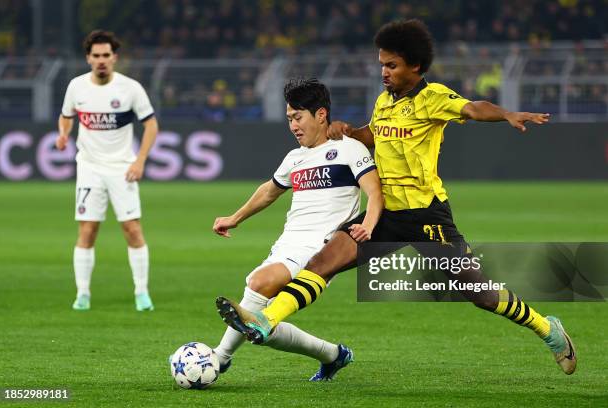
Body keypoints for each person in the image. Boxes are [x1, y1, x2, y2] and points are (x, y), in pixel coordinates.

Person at [217, 19, 577, 375]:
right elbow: (374, 135)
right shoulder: (384, 101)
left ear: (415, 66)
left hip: (427, 218)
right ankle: (266, 321)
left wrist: (507, 114)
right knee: (320, 264)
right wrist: (349, 131)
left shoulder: (431, 98)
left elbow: (472, 107)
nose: (384, 72)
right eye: (382, 65)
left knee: (481, 295)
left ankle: (548, 330)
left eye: (391, 65)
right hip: (385, 214)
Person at [213, 78, 382, 381]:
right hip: (287, 244)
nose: (292, 125)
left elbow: (374, 190)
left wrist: (367, 224)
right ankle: (333, 355)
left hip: (322, 248)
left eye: (298, 117)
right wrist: (234, 217)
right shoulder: (295, 157)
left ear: (320, 115)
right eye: (289, 118)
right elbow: (269, 191)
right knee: (258, 322)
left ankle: (218, 359)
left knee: (258, 283)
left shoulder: (349, 149)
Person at [56, 30, 158, 312]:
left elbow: (151, 125)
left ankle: (141, 293)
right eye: (96, 55)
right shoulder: (77, 87)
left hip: (121, 168)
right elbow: (65, 118)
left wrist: (139, 161)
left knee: (132, 230)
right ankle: (83, 294)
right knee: (87, 231)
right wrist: (63, 135)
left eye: (106, 55)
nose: (101, 60)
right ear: (88, 58)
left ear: (114, 57)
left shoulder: (130, 89)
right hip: (88, 167)